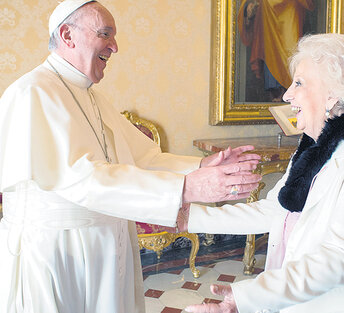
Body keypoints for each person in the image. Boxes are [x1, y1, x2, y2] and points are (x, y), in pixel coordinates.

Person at [0, 1, 262, 312]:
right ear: (68, 35)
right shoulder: (33, 92)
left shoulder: (94, 96)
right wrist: (186, 188)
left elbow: (142, 157)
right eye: (105, 34)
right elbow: (84, 179)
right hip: (60, 252)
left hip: (106, 244)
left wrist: (202, 165)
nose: (115, 46)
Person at [183, 33, 344, 313]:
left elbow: (341, 258)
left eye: (299, 83)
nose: (286, 94)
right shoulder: (312, 149)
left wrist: (246, 297)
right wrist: (189, 218)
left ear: (333, 94)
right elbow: (272, 211)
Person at [238, 0, 314, 101]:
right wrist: (250, 3)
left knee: (290, 49)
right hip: (268, 10)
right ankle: (274, 90)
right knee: (271, 48)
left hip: (290, 8)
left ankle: (291, 89)